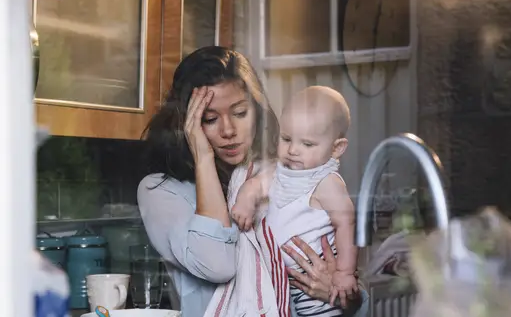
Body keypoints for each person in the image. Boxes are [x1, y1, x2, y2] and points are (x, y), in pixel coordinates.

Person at [137, 46, 368, 317]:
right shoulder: (161, 192)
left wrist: (339, 294)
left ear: (257, 112)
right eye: (209, 119)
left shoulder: (282, 176)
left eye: (240, 113)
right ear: (187, 124)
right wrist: (203, 157)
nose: (228, 131)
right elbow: (218, 264)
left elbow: (354, 295)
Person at [232, 86, 357, 316]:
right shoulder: (281, 171)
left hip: (317, 286)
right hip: (283, 281)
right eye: (286, 139)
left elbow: (346, 223)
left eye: (307, 144)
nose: (292, 150)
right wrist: (245, 200)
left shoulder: (326, 181)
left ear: (336, 148)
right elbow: (256, 184)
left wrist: (345, 273)